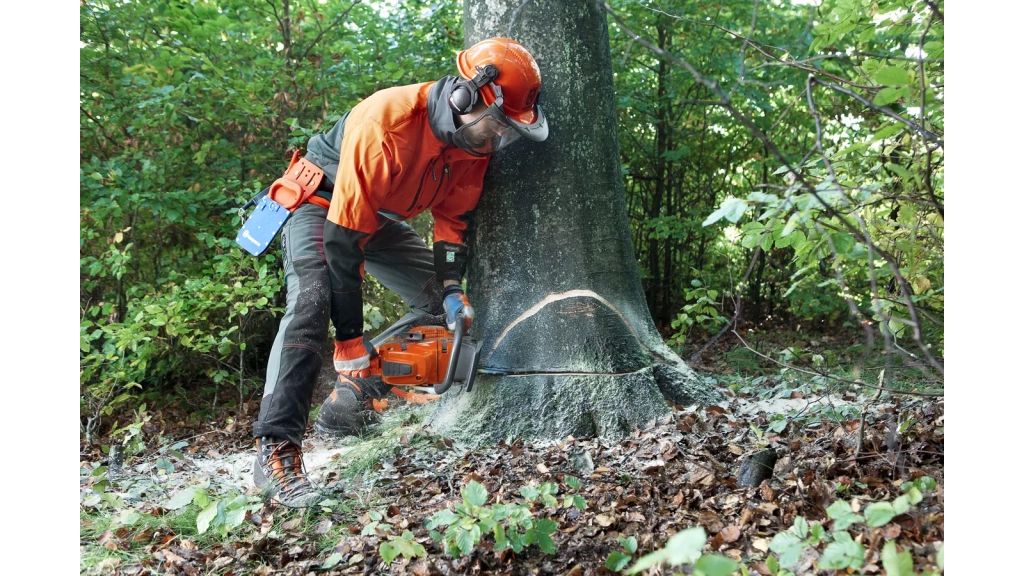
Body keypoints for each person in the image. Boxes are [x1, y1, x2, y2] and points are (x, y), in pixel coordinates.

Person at [250, 37, 549, 507]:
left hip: (376, 217)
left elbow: (453, 225)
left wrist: (452, 288)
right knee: (312, 301)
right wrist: (348, 341)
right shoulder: (386, 123)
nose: (496, 140)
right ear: (467, 96)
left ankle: (354, 397)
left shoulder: (474, 146)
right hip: (321, 203)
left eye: (506, 131)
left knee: (437, 309)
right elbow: (341, 240)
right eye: (495, 126)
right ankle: (276, 451)